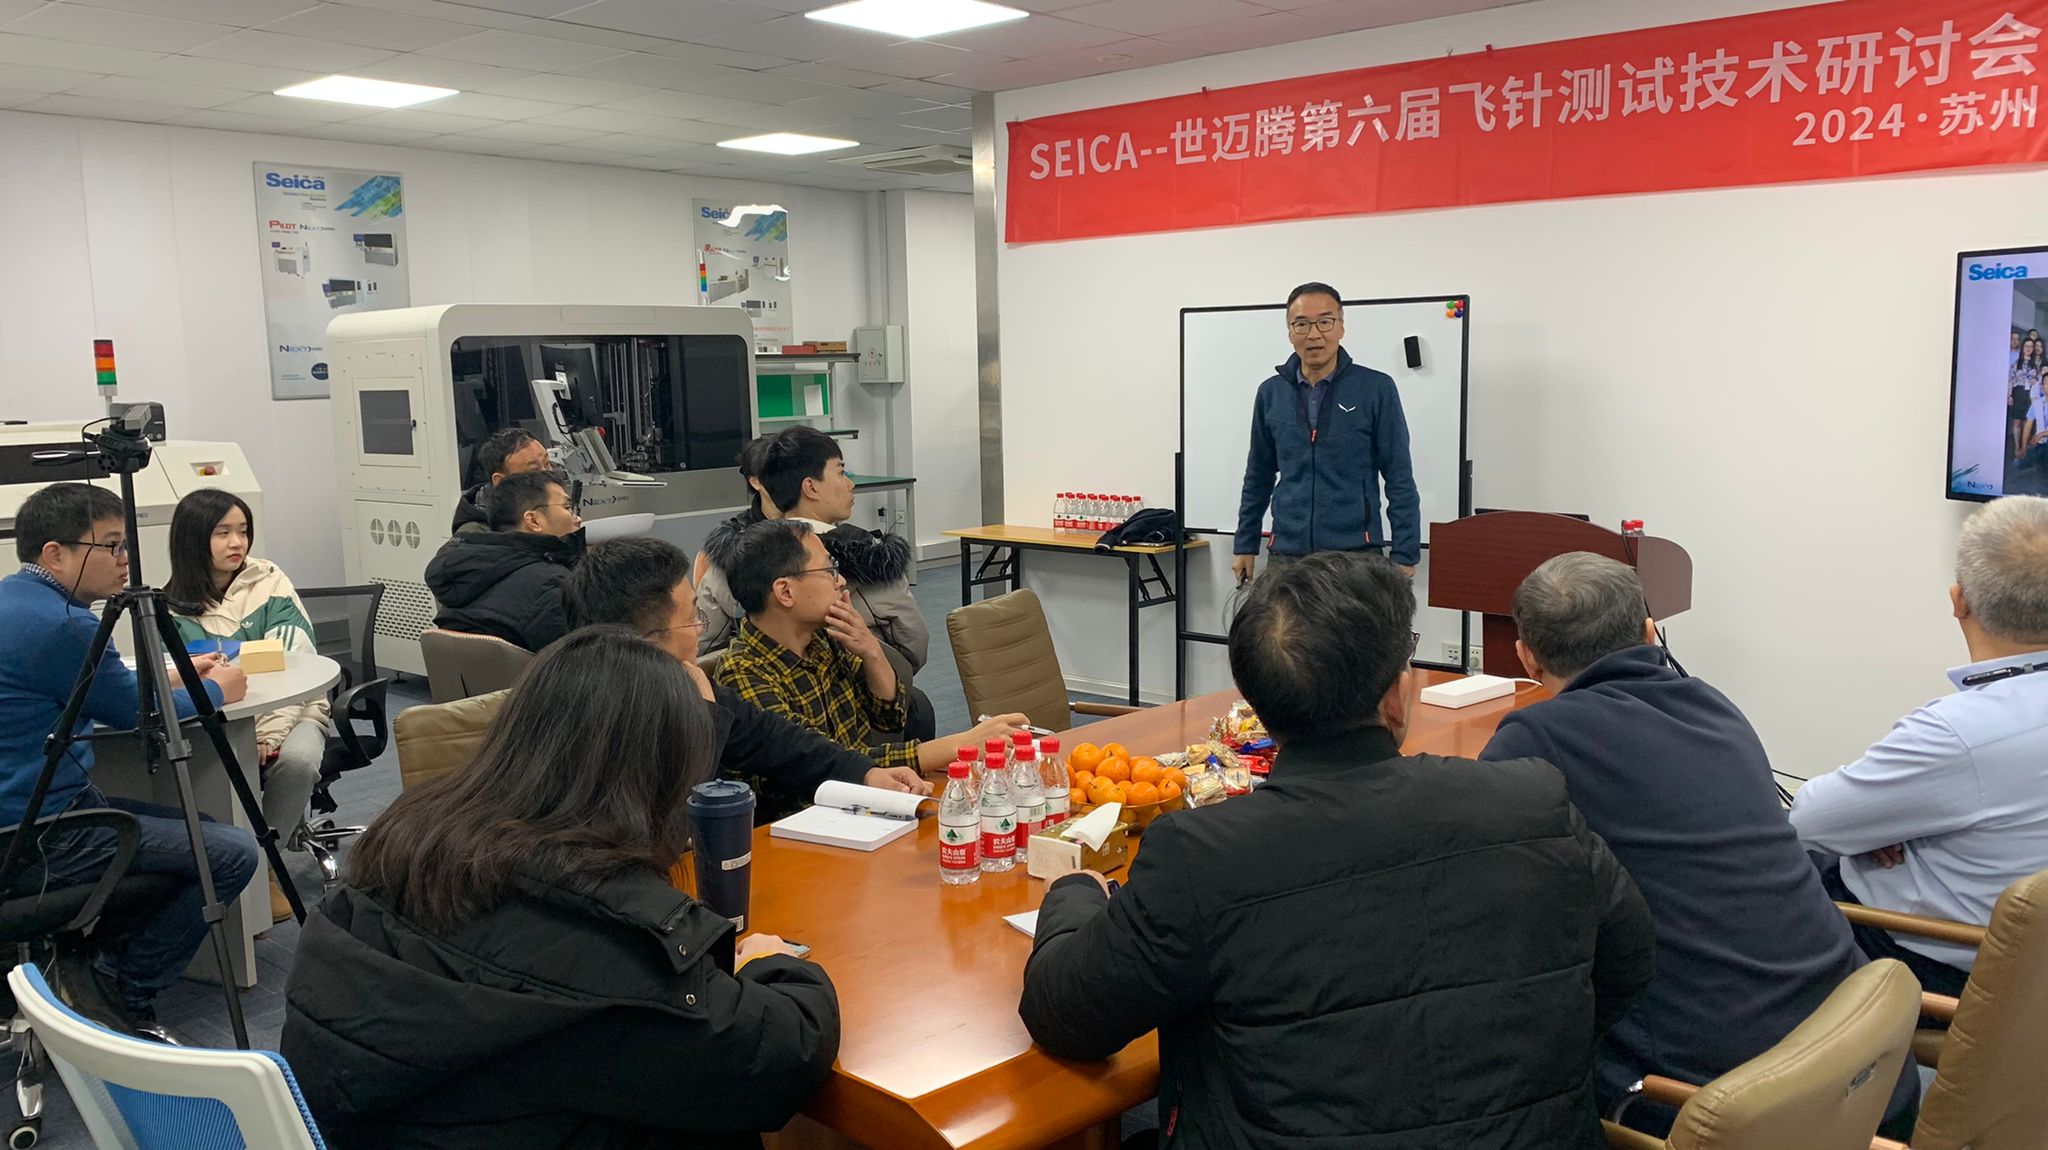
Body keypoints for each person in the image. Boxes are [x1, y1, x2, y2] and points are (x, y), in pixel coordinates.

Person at [1018, 552, 1655, 1148]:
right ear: (1396, 695)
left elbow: (1064, 1016)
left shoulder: (1203, 857)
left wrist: (1073, 893)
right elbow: (1627, 961)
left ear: (1258, 704)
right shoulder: (1532, 800)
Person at [282, 627, 839, 1149]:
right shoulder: (610, 932)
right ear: (660, 778)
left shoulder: (403, 839)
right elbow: (782, 1055)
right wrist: (769, 966)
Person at [1482, 552, 1917, 1138]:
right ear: (1649, 632)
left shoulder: (1537, 737)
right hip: (1870, 1060)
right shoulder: (1712, 704)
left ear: (1526, 657)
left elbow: (1474, 868)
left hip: (1734, 1106)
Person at [0, 483, 259, 1037]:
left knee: (200, 830)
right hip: (42, 836)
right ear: (55, 554)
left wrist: (170, 674)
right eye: (113, 546)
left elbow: (81, 684)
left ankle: (84, 964)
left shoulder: (15, 601)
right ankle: (115, 989)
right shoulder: (64, 624)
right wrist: (219, 690)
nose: (125, 560)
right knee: (230, 853)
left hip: (21, 819)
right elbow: (139, 716)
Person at [1791, 494, 2048, 999]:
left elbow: (1808, 823)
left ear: (1959, 602)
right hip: (2028, 973)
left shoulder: (1960, 733)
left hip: (1939, 969)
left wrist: (1876, 829)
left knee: (1760, 874)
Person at [564, 536, 931, 819]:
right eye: (692, 617)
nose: (701, 630)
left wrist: (865, 773)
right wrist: (700, 712)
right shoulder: (596, 710)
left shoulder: (674, 682)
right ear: (646, 638)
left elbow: (778, 742)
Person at [717, 520, 1025, 781]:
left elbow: (889, 721)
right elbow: (826, 765)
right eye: (829, 569)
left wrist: (871, 652)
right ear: (785, 591)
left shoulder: (826, 639)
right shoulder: (743, 673)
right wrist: (958, 745)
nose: (841, 581)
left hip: (860, 806)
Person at [165, 488, 328, 925]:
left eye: (243, 531)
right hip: (222, 721)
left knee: (297, 761)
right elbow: (180, 682)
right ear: (193, 539)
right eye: (222, 533)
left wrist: (267, 735)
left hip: (294, 710)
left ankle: (265, 869)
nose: (237, 543)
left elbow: (293, 667)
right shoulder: (168, 607)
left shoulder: (270, 582)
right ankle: (226, 869)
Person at [700, 428, 928, 680]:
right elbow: (912, 649)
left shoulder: (734, 556)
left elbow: (704, 644)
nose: (850, 484)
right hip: (858, 694)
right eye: (840, 472)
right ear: (810, 487)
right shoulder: (870, 560)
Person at [1232, 282, 1419, 586]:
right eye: (1302, 324)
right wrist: (1245, 544)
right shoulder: (1271, 393)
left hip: (1356, 555)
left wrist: (1405, 553)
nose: (1314, 334)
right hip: (1286, 555)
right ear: (1290, 332)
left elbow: (1399, 476)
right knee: (1279, 620)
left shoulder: (1376, 389)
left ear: (1341, 328)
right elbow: (1258, 475)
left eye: (1325, 322)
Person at [424, 470, 583, 652]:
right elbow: (582, 660)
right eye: (567, 507)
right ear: (533, 520)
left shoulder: (463, 572)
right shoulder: (552, 586)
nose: (578, 518)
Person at [452, 427, 549, 536]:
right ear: (500, 481)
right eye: (534, 470)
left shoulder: (557, 508)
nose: (548, 475)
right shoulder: (476, 535)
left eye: (547, 463)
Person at [2009, 332, 2042, 463]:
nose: (2028, 348)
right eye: (2026, 346)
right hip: (2018, 393)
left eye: (2031, 346)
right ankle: (2017, 448)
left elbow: (2040, 382)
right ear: (2023, 347)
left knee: (2026, 423)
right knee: (2017, 422)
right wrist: (2009, 395)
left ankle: (2024, 449)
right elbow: (2010, 380)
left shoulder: (2035, 365)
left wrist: (2036, 381)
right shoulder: (2016, 363)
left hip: (2030, 396)